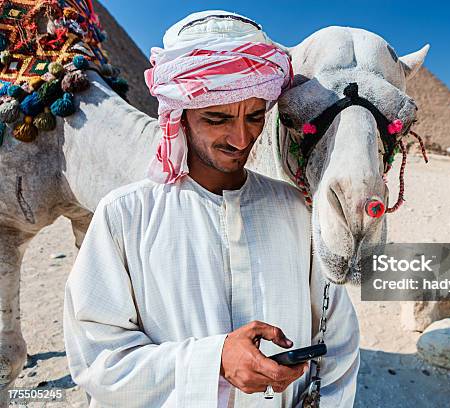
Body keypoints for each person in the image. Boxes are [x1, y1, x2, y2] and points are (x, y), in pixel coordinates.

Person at [62, 10, 360, 408]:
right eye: (217, 118)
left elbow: (338, 341)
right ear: (178, 115)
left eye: (255, 116)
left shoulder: (296, 210)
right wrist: (214, 361)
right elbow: (98, 360)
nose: (241, 137)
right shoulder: (124, 216)